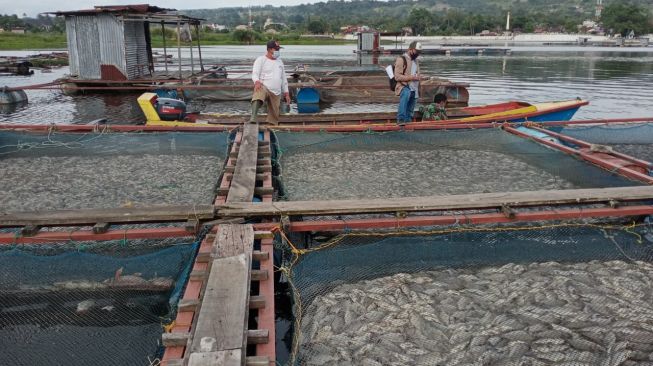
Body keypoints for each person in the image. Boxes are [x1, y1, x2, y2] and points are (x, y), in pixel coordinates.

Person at [250, 40, 291, 124]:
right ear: (269, 49)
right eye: (276, 49)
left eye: (278, 49)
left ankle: (271, 125)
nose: (278, 51)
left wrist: (286, 93)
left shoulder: (280, 62)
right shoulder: (261, 60)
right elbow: (255, 73)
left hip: (276, 92)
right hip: (264, 87)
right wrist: (257, 81)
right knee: (259, 92)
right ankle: (253, 117)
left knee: (274, 116)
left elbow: (283, 78)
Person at [394, 41, 422, 124]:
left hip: (414, 88)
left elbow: (417, 74)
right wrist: (411, 77)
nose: (417, 53)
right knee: (406, 94)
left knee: (409, 113)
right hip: (404, 86)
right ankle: (400, 119)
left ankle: (408, 124)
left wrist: (419, 77)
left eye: (419, 52)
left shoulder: (416, 61)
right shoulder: (401, 59)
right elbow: (397, 76)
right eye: (416, 51)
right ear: (410, 49)